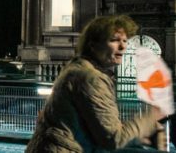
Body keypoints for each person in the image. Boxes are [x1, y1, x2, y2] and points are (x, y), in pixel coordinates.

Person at [26, 14, 167, 152]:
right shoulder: (90, 78)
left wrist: (138, 138)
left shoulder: (78, 69)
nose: (123, 46)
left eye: (125, 41)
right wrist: (151, 117)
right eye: (114, 40)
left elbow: (96, 132)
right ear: (93, 45)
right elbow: (113, 139)